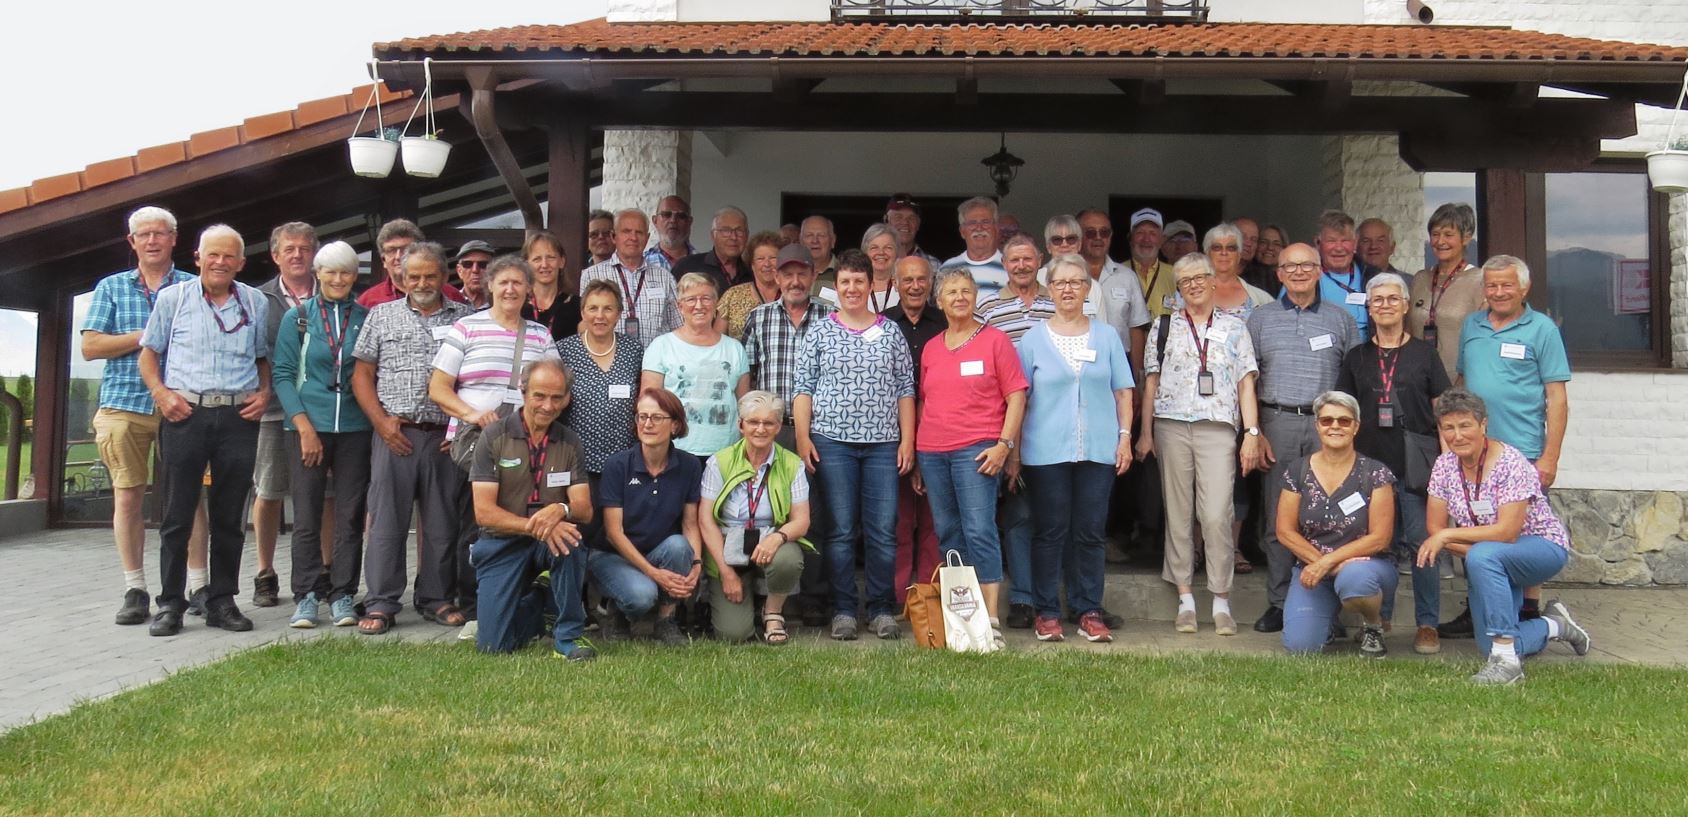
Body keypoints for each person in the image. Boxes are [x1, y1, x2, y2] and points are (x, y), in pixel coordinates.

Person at [138, 224, 271, 637]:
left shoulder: (254, 301)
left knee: (230, 516)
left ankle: (222, 601)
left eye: (228, 256)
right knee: (177, 515)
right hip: (186, 415)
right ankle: (171, 604)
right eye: (212, 255)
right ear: (197, 258)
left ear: (240, 263)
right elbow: (149, 354)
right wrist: (162, 394)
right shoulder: (173, 299)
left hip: (238, 419)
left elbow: (262, 358)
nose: (220, 262)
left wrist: (265, 393)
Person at [429, 255, 562, 640]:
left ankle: (513, 603)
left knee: (514, 524)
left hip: (525, 449)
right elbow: (438, 387)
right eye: (503, 282)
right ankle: (472, 606)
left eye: (518, 284)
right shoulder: (466, 328)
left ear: (528, 289)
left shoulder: (539, 336)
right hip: (476, 445)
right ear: (490, 286)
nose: (510, 290)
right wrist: (473, 414)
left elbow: (554, 387)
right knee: (474, 525)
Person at [81, 206, 203, 625]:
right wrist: (148, 334)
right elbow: (91, 347)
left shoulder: (194, 285)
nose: (152, 240)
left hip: (183, 403)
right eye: (143, 234)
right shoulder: (111, 287)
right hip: (124, 405)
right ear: (131, 242)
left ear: (174, 239)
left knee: (191, 497)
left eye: (160, 233)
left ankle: (200, 585)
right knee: (128, 495)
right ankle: (135, 589)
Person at [1417, 388, 1589, 684]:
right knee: (1491, 643)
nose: (1457, 435)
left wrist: (1452, 538)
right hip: (1490, 557)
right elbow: (1434, 527)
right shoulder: (1444, 466)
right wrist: (1473, 553)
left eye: (1465, 425)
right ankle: (1554, 626)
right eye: (1448, 428)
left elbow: (1507, 532)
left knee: (1485, 554)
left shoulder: (1511, 462)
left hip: (1541, 547)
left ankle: (1508, 667)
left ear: (1483, 424)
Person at [350, 242, 475, 635]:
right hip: (395, 435)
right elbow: (362, 376)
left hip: (443, 438)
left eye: (430, 275)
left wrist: (460, 430)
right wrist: (382, 423)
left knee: (442, 523)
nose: (422, 282)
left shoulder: (466, 319)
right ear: (401, 278)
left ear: (444, 277)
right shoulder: (381, 316)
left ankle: (436, 598)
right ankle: (382, 602)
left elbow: (472, 379)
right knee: (386, 521)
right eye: (414, 276)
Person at [793, 250, 916, 641]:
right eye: (844, 281)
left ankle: (880, 608)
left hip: (883, 444)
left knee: (882, 530)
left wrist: (907, 440)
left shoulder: (890, 331)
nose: (851, 288)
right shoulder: (819, 331)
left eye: (858, 282)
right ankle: (844, 608)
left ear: (871, 286)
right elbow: (803, 388)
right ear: (835, 286)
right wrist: (801, 437)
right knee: (841, 530)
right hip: (832, 442)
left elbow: (905, 390)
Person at [1138, 253, 1263, 636]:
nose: (1193, 284)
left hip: (1218, 426)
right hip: (1171, 424)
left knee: (1216, 513)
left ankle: (1222, 600)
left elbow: (1246, 382)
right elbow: (1151, 383)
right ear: (1178, 287)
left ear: (1213, 280)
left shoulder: (1235, 326)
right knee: (1177, 512)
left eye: (1199, 277)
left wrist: (1252, 434)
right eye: (1184, 279)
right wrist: (1145, 431)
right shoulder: (1163, 326)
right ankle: (1186, 600)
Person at [1017, 254, 1136, 643]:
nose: (1068, 288)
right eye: (1060, 282)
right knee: (1050, 531)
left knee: (1089, 533)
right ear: (1049, 290)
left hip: (1099, 450)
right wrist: (1013, 452)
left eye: (1076, 282)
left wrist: (1125, 438)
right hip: (1045, 452)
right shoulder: (1032, 339)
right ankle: (1047, 612)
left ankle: (1088, 609)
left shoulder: (1106, 336)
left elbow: (1123, 391)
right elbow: (1019, 399)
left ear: (1088, 289)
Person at [1247, 242, 1360, 634]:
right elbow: (1248, 381)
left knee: (1334, 519)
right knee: (1280, 515)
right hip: (1276, 423)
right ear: (1278, 273)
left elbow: (1353, 381)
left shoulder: (1341, 319)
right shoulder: (1259, 319)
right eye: (1289, 266)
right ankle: (1280, 602)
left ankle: (1331, 605)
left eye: (1306, 265)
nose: (1298, 272)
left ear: (1318, 271)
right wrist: (1255, 432)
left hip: (1326, 428)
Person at [1337, 272, 1451, 654]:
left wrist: (1448, 464)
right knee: (1377, 545)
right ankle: (1378, 620)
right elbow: (1344, 414)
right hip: (1370, 470)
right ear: (1368, 308)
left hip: (1417, 468)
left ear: (1405, 305)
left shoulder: (1425, 353)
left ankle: (1426, 624)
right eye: (1377, 300)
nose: (1384, 305)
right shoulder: (1357, 357)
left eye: (1392, 299)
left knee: (1423, 545)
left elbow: (1442, 410)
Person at [916, 268, 1028, 649]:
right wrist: (917, 455)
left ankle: (990, 619)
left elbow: (1016, 395)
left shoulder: (995, 341)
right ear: (939, 301)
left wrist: (1004, 445)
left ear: (976, 297)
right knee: (948, 532)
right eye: (951, 291)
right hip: (932, 451)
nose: (960, 297)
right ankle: (963, 619)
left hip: (976, 450)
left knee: (979, 529)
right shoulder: (932, 347)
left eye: (966, 290)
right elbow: (924, 402)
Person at [465, 358, 596, 659]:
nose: (548, 406)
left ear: (566, 398)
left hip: (551, 541)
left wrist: (561, 509)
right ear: (524, 392)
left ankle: (567, 639)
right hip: (501, 543)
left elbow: (584, 509)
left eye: (556, 397)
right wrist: (536, 525)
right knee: (494, 647)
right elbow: (483, 513)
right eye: (540, 395)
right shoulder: (493, 436)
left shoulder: (570, 441)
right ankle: (541, 599)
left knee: (571, 541)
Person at [271, 241, 371, 629]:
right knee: (307, 514)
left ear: (354, 276)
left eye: (345, 272)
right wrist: (303, 425)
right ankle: (307, 595)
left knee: (349, 515)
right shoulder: (297, 318)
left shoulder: (365, 317)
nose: (338, 278)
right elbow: (281, 374)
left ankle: (343, 594)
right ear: (318, 274)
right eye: (330, 271)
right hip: (306, 427)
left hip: (355, 428)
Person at [1276, 391, 1399, 657]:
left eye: (1344, 421)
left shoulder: (1375, 473)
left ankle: (1373, 625)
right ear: (1317, 425)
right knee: (1301, 648)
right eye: (1327, 420)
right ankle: (1325, 623)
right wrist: (1322, 563)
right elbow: (1284, 531)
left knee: (1354, 579)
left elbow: (1380, 538)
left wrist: (1328, 563)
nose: (1335, 426)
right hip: (1313, 568)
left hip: (1365, 567)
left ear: (1356, 426)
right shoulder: (1297, 471)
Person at [972, 234, 1049, 630]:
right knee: (1017, 514)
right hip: (1005, 426)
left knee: (1053, 517)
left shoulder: (1061, 301)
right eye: (1014, 260)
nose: (1021, 265)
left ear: (1041, 260)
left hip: (1053, 426)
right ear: (1005, 264)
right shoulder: (987, 307)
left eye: (1028, 258)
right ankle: (1021, 598)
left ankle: (1052, 598)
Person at [699, 391, 814, 644]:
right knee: (734, 634)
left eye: (769, 423)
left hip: (768, 541)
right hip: (728, 544)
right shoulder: (719, 462)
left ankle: (773, 612)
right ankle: (735, 595)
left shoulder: (792, 464)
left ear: (778, 427)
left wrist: (778, 538)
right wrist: (727, 573)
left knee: (788, 558)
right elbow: (706, 521)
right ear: (741, 425)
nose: (760, 429)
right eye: (753, 422)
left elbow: (801, 520)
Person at [592, 388, 704, 646]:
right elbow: (613, 533)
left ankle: (666, 620)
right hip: (612, 555)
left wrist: (696, 565)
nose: (647, 423)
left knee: (679, 546)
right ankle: (617, 612)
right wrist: (655, 574)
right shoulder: (618, 465)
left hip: (658, 551)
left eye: (656, 417)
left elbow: (689, 524)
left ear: (675, 425)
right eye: (642, 417)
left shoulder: (689, 466)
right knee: (641, 596)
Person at [250, 222, 324, 609]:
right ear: (275, 255)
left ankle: (325, 570)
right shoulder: (257, 299)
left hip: (325, 412)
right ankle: (265, 572)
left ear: (315, 254)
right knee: (270, 490)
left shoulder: (331, 293)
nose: (297, 255)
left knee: (324, 494)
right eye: (289, 249)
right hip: (275, 411)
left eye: (304, 249)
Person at [884, 255, 944, 605]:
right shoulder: (883, 325)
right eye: (908, 280)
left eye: (922, 279)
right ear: (895, 283)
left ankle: (929, 598)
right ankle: (895, 599)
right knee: (899, 522)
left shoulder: (945, 324)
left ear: (931, 283)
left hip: (939, 432)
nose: (916, 286)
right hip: (892, 436)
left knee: (935, 525)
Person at [641, 273, 751, 458]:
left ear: (716, 304)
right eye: (691, 299)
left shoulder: (735, 349)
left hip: (726, 451)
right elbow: (648, 402)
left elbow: (745, 406)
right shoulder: (661, 346)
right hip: (675, 449)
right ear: (680, 306)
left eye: (706, 298)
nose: (699, 306)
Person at [558, 279, 643, 479]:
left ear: (618, 314)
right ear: (582, 312)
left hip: (625, 460)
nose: (599, 316)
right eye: (593, 308)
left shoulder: (634, 350)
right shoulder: (564, 351)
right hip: (577, 461)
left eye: (608, 309)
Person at [1050, 210, 1151, 372]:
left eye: (1104, 232)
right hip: (1070, 362)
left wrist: (1136, 378)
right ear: (1079, 237)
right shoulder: (1061, 279)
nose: (1098, 237)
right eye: (1090, 233)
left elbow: (1136, 328)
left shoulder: (1127, 277)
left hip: (1119, 362)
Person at [580, 209, 681, 348]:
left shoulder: (665, 277)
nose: (633, 238)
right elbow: (584, 324)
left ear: (647, 237)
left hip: (656, 365)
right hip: (610, 364)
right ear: (614, 236)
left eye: (639, 232)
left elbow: (679, 327)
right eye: (626, 231)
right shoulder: (591, 275)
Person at [1408, 202, 1482, 381]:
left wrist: (1461, 383)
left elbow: (1482, 341)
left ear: (1466, 238)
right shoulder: (1420, 279)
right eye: (1435, 234)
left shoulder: (1479, 280)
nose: (1440, 241)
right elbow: (1408, 330)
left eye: (1448, 235)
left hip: (1459, 382)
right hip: (1418, 381)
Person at [357, 219, 465, 308]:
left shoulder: (451, 295)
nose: (398, 256)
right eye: (391, 250)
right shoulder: (368, 301)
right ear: (383, 261)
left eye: (405, 249)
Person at [1311, 210, 1370, 333]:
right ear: (1318, 243)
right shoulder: (1303, 278)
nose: (1339, 248)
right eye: (1331, 241)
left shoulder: (1370, 275)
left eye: (1345, 241)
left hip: (1366, 350)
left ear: (1355, 244)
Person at [940, 196, 1009, 301]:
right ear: (962, 231)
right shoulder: (948, 268)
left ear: (996, 228)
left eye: (985, 222)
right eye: (972, 223)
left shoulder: (1010, 266)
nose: (979, 228)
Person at [719, 230, 783, 339]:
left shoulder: (791, 294)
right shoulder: (732, 295)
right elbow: (717, 340)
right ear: (752, 264)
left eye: (773, 258)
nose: (767, 264)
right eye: (760, 259)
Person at [672, 206, 751, 294]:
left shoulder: (753, 272)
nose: (733, 237)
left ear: (747, 236)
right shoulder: (688, 267)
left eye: (739, 231)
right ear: (713, 235)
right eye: (726, 231)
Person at [1205, 223, 1273, 319]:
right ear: (1207, 254)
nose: (1224, 253)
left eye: (1231, 248)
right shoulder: (1188, 294)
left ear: (1239, 255)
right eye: (1217, 248)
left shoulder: (1263, 299)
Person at [524, 230, 581, 341]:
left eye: (551, 257)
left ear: (562, 262)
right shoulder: (518, 306)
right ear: (526, 265)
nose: (544, 265)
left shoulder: (578, 306)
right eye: (537, 259)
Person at [1127, 208, 1179, 317]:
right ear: (1131, 238)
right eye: (1140, 233)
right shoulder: (1115, 273)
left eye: (1152, 233)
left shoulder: (1176, 275)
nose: (1146, 239)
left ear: (1161, 240)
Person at [855, 222, 902, 312]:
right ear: (865, 253)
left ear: (897, 252)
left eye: (888, 247)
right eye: (874, 248)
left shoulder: (905, 286)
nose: (881, 252)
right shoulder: (854, 285)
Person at [643, 195, 696, 273]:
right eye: (666, 214)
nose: (673, 220)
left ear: (689, 222)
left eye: (681, 216)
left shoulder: (702, 263)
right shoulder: (642, 263)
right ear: (655, 221)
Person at [885, 193, 939, 265]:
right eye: (898, 217)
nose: (905, 222)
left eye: (911, 218)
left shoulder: (933, 264)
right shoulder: (875, 261)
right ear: (887, 221)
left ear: (918, 224)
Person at [1233, 216, 1277, 292]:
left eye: (1254, 239)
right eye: (1243, 237)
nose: (1249, 243)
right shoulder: (1209, 270)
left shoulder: (1266, 276)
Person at [800, 215, 839, 295]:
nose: (815, 241)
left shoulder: (845, 272)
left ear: (833, 241)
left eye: (821, 235)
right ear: (801, 241)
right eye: (809, 235)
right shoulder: (790, 271)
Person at [455, 240, 495, 309]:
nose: (475, 270)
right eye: (468, 264)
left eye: (483, 264)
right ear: (459, 271)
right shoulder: (447, 302)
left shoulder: (501, 305)